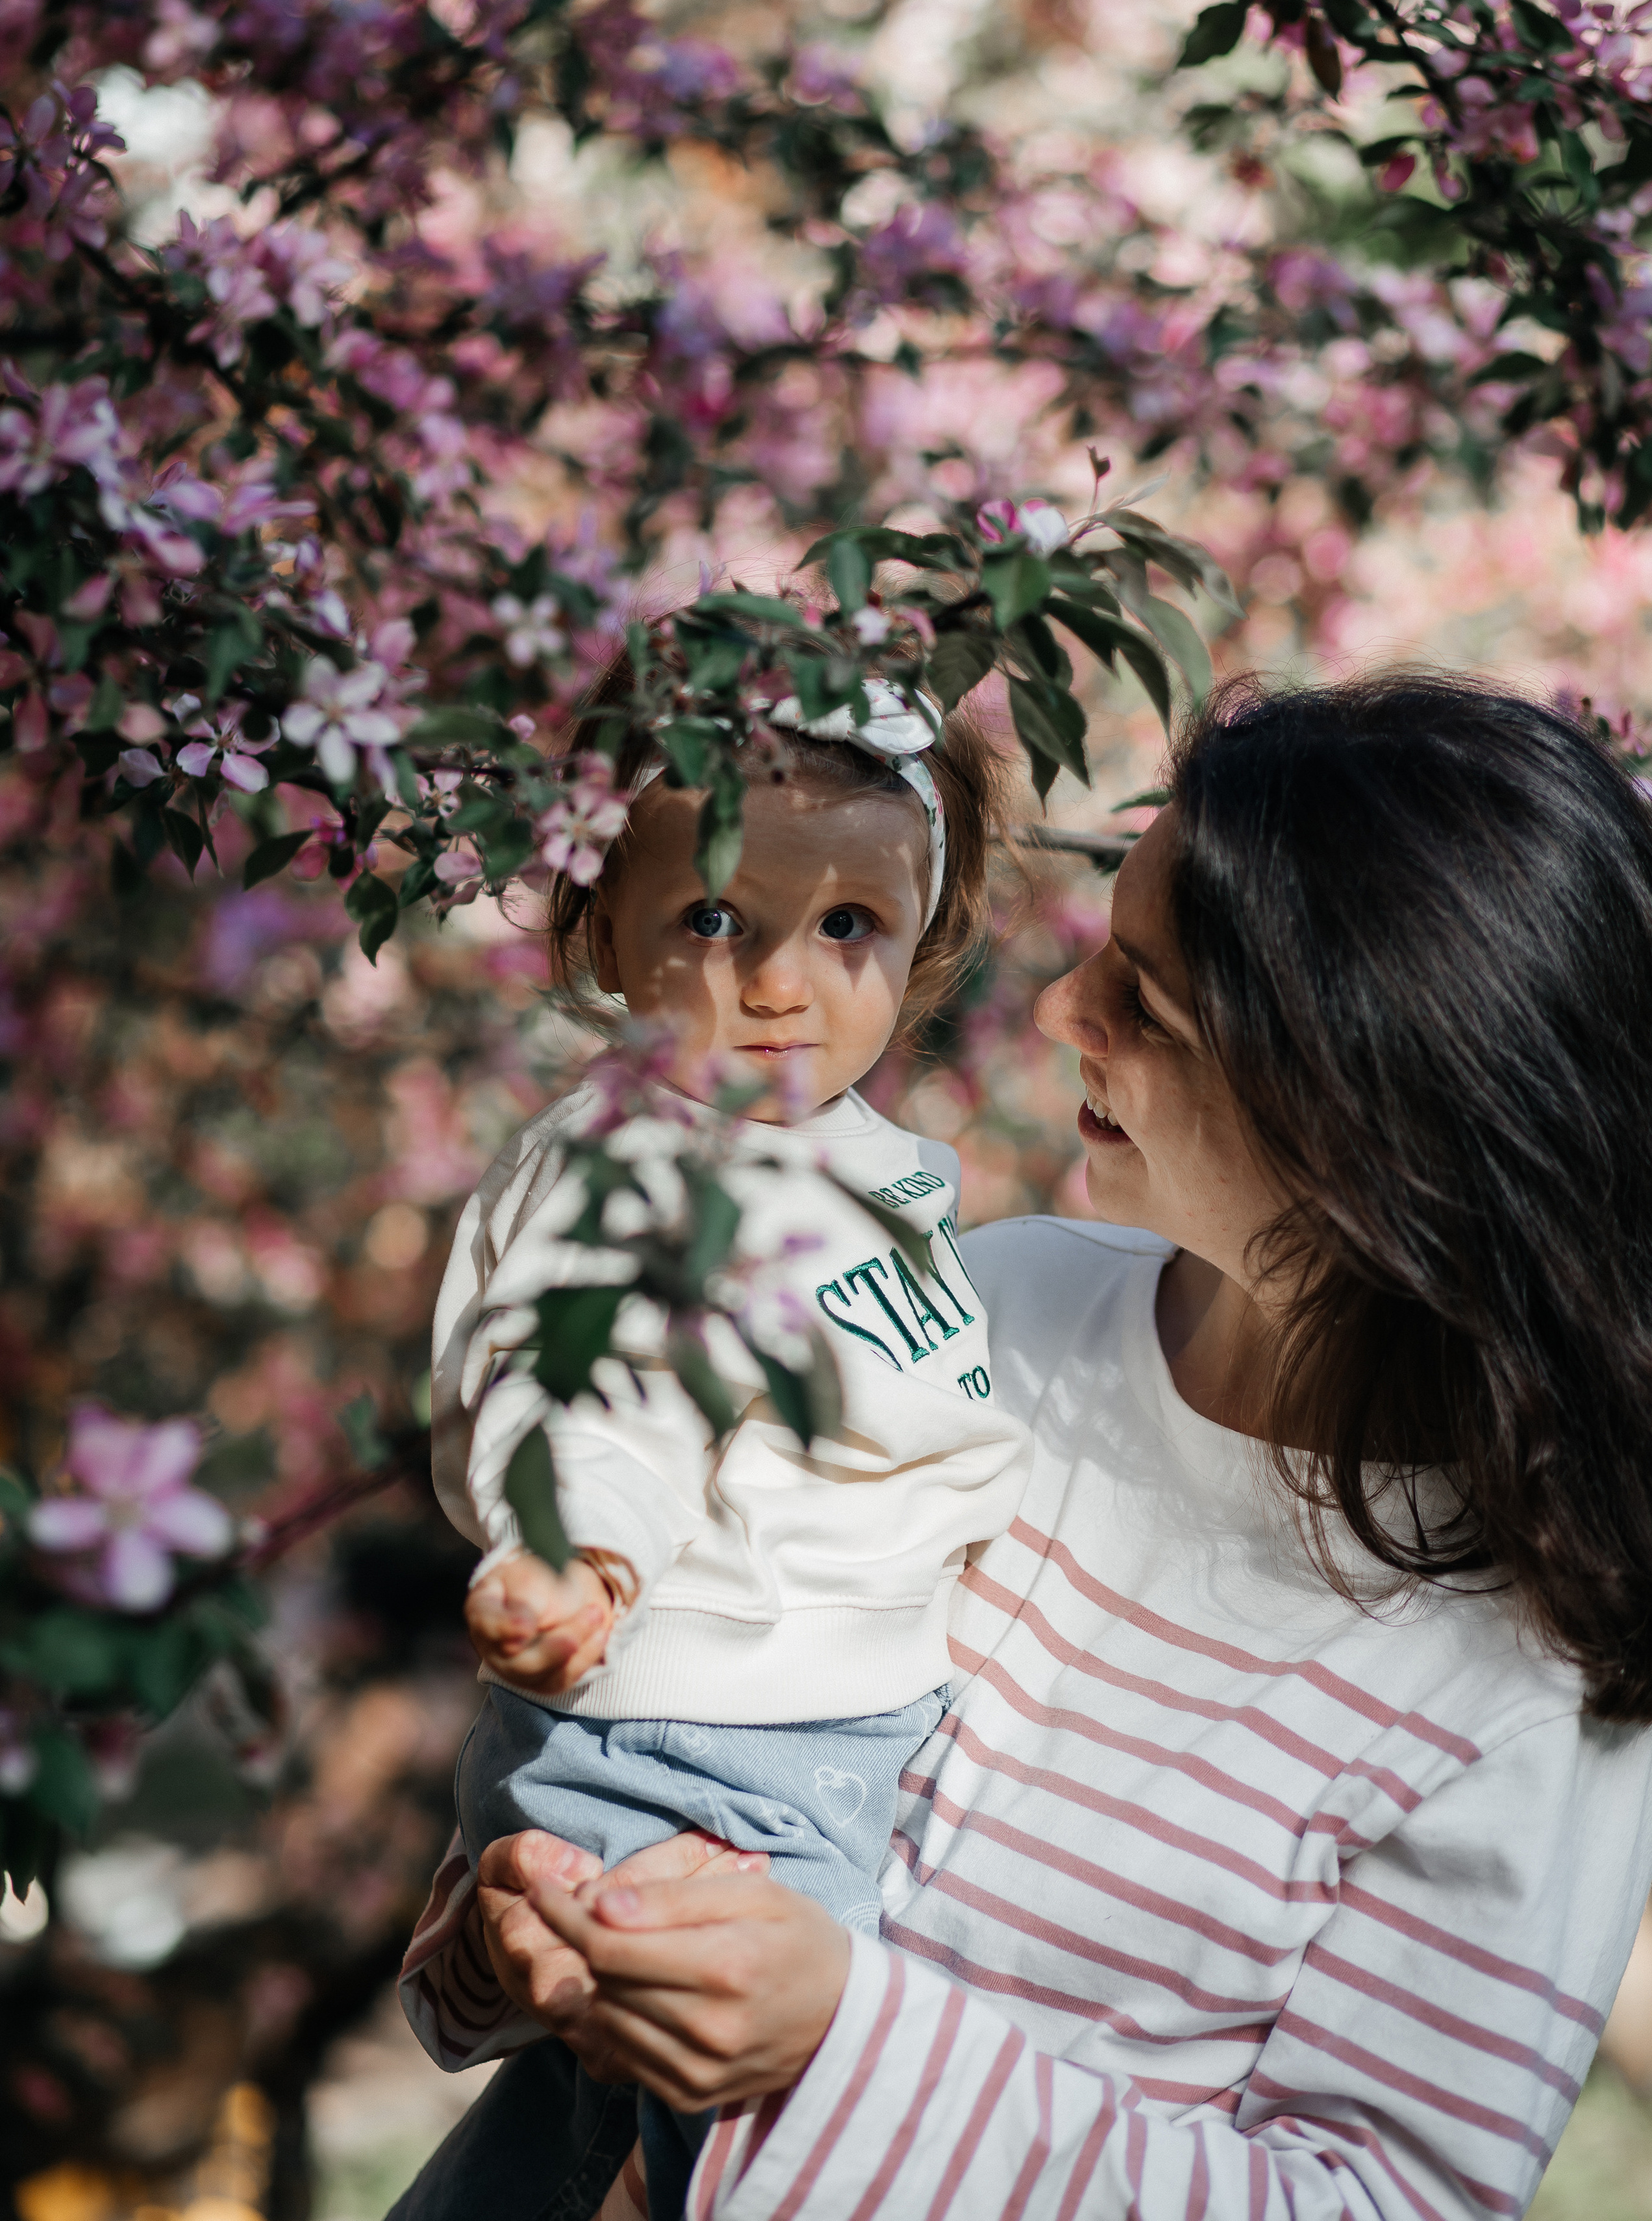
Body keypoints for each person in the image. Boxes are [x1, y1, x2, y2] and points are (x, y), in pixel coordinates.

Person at [395, 672, 1652, 2221]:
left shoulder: (1531, 1680)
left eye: (1147, 1000)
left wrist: (840, 2052)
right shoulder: (992, 1316)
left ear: (1363, 1134)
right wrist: (511, 1948)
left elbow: (1380, 2204)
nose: (1064, 1011)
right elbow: (683, 1741)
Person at [424, 668, 1032, 2217]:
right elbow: (576, 1378)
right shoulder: (629, 1158)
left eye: (847, 929)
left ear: (921, 937)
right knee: (779, 2132)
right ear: (600, 935)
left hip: (808, 1733)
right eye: (711, 922)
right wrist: (580, 1551)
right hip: (694, 1737)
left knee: (598, 2118)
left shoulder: (876, 1164)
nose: (778, 982)